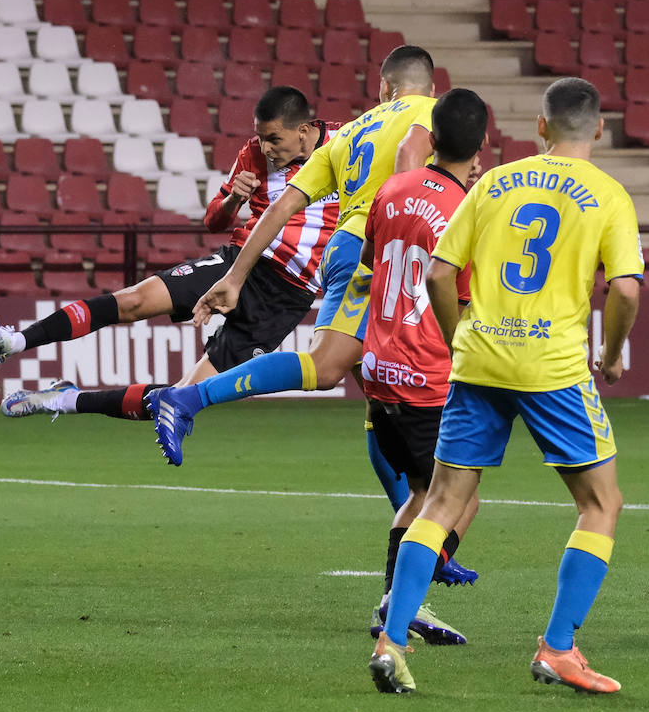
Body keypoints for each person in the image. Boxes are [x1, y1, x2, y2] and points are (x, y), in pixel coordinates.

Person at [369, 77, 643, 696]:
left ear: (540, 128)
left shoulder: (493, 182)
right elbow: (625, 289)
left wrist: (458, 339)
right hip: (552, 368)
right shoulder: (608, 195)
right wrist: (612, 353)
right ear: (599, 129)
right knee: (600, 504)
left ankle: (392, 641)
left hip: (479, 361)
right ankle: (558, 648)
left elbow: (439, 274)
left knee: (440, 504)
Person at [0, 86, 341, 423]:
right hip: (242, 263)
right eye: (260, 137)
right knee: (134, 301)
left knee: (181, 398)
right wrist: (234, 198)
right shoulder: (253, 155)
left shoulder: (347, 145)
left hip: (287, 298)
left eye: (273, 139)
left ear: (304, 130)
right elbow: (214, 220)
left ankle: (64, 399)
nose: (264, 148)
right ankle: (13, 341)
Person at [148, 46, 438, 466]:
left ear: (383, 88)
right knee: (326, 368)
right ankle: (188, 397)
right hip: (382, 250)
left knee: (382, 397)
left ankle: (409, 506)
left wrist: (234, 278)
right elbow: (419, 169)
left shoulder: (353, 132)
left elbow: (280, 207)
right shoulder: (430, 113)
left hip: (344, 250)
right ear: (431, 88)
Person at [358, 88, 490, 647]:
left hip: (378, 367)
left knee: (419, 495)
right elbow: (461, 293)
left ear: (432, 139)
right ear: (483, 145)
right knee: (460, 499)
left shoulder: (392, 188)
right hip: (426, 375)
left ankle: (399, 601)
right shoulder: (469, 209)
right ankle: (401, 603)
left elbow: (370, 261)